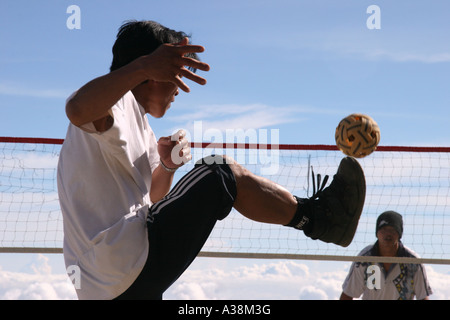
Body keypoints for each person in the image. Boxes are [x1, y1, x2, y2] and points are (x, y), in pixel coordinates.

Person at [57, 20, 366, 300]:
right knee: (218, 172)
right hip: (116, 260)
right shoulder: (118, 103)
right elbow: (76, 110)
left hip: (112, 280)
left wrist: (165, 166)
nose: (178, 87)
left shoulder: (141, 126)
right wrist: (142, 66)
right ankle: (323, 219)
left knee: (217, 175)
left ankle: (318, 219)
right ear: (152, 73)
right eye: (174, 73)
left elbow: (153, 198)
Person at [340, 210, 433, 300]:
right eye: (384, 229)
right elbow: (348, 294)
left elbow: (422, 296)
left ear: (399, 234)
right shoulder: (364, 259)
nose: (388, 234)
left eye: (392, 230)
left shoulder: (413, 262)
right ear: (377, 233)